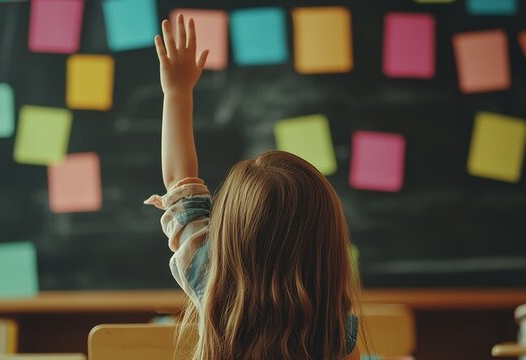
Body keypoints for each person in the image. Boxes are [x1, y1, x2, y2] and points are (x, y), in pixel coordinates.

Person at [145, 14, 363, 360]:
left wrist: (177, 92)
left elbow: (179, 185)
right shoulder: (335, 330)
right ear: (327, 243)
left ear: (229, 234)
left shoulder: (214, 288)